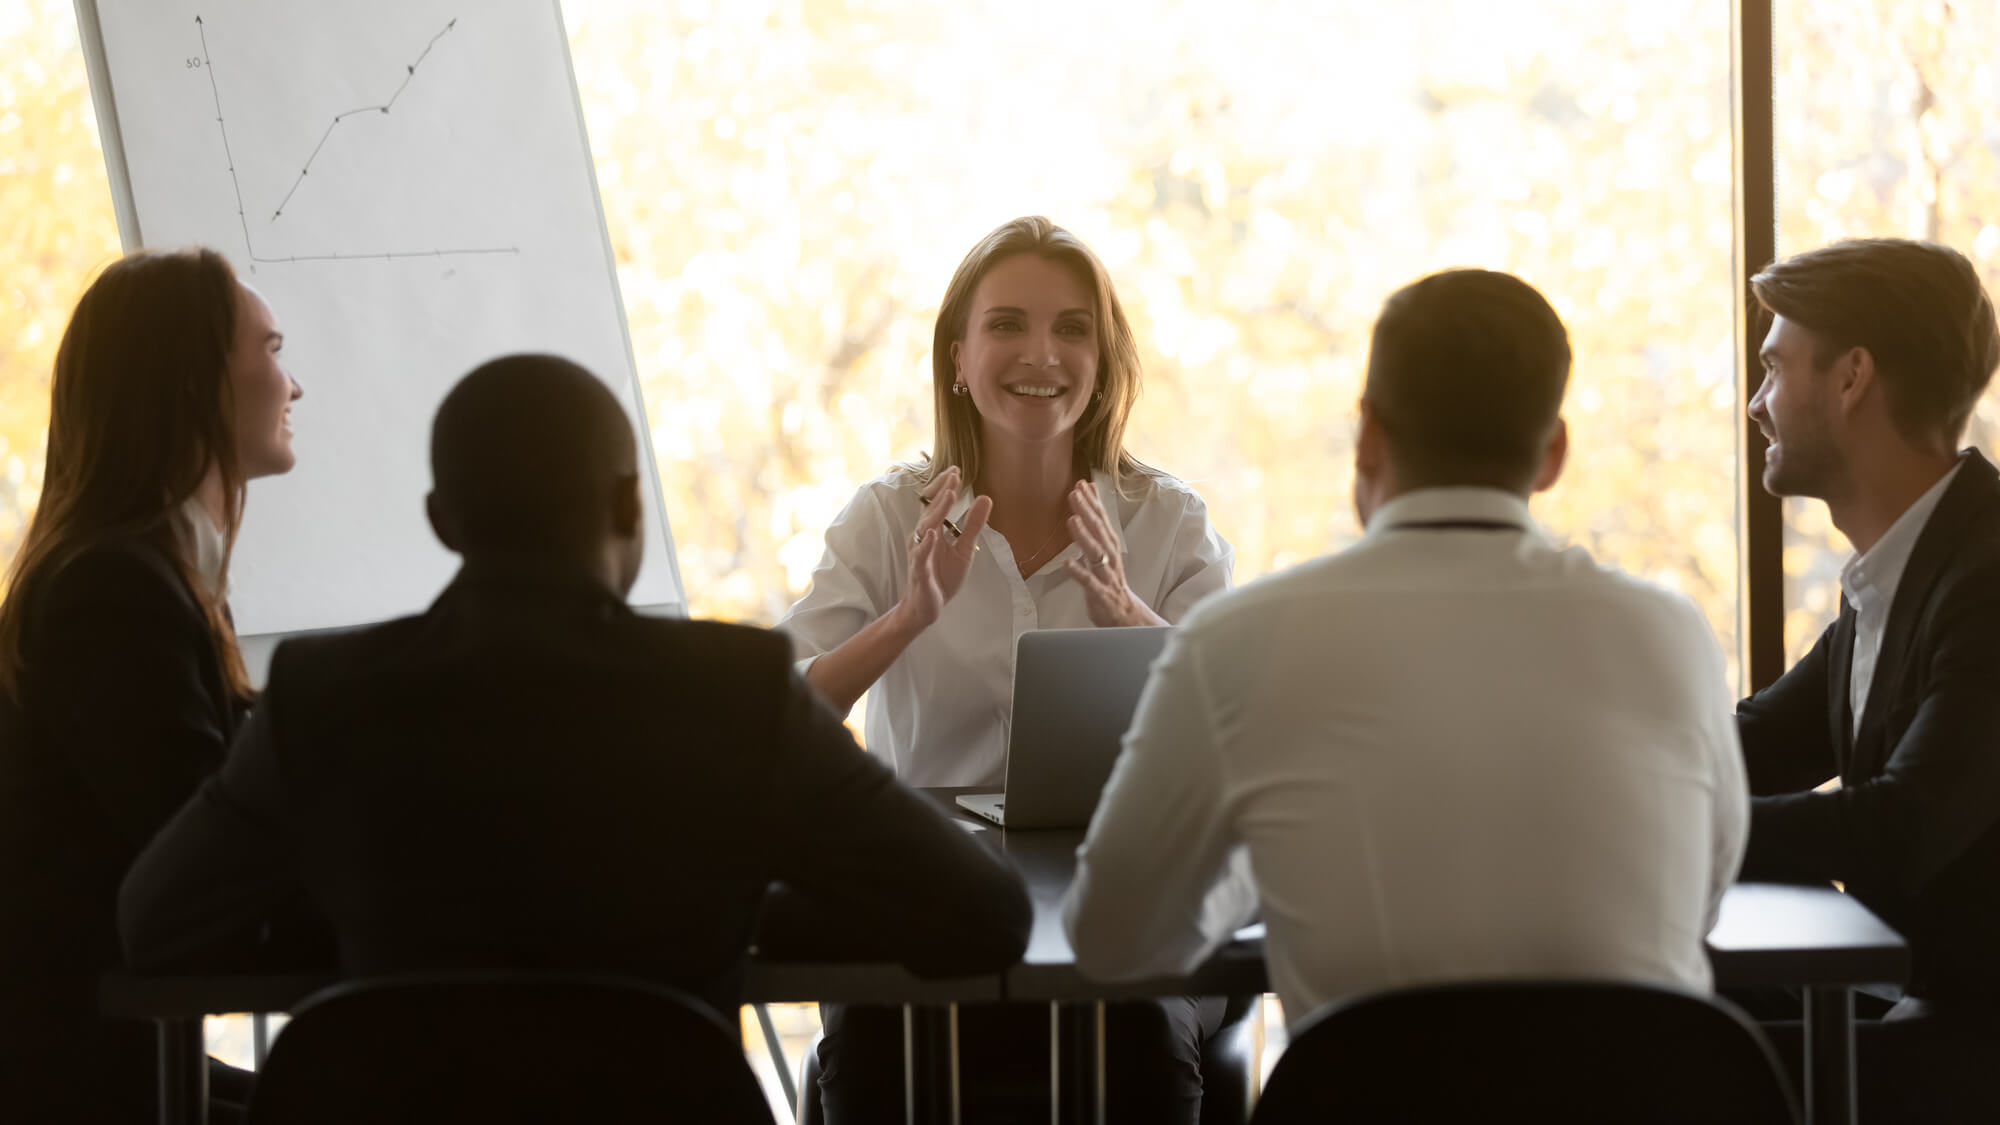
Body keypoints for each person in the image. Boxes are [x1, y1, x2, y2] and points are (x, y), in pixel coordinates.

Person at [117, 353, 1031, 1025]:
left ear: (443, 521)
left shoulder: (323, 695)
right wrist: (737, 899)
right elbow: (984, 915)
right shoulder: (737, 693)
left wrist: (381, 923)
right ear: (631, 507)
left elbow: (156, 923)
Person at [1063, 269, 1749, 1033]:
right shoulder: (1675, 634)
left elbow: (1112, 940)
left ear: (1366, 438)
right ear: (1553, 453)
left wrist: (1263, 864)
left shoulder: (1239, 640)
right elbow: (1701, 899)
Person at [779, 217, 1233, 1122]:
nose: (1041, 352)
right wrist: (908, 618)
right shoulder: (884, 517)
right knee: (876, 1043)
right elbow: (777, 715)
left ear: (1103, 361)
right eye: (1007, 325)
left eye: (1073, 329)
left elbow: (1237, 725)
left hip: (1125, 904)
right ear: (958, 355)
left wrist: (1127, 618)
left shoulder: (1169, 522)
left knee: (1137, 1035)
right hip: (923, 902)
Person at [0, 248, 303, 1122]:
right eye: (272, 348)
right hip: (76, 1076)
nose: (293, 384)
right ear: (193, 382)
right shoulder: (115, 591)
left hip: (113, 1053)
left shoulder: (137, 577)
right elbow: (201, 845)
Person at [1732, 238, 2000, 1121]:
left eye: (1773, 367)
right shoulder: (1900, 572)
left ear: (1851, 378)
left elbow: (1901, 825)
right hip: (1924, 1007)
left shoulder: (1988, 573)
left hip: (1975, 1039)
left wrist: (1672, 831)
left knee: (1639, 1056)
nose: (1755, 404)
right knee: (1675, 1010)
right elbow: (1754, 745)